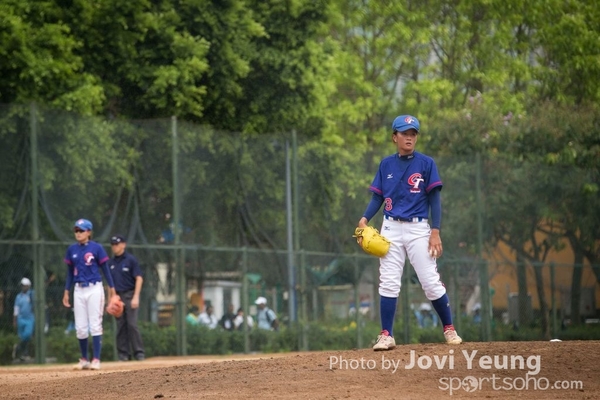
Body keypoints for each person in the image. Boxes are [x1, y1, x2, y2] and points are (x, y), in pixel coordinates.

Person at [356, 115, 462, 351]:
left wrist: (435, 230)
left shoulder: (426, 163)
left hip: (418, 228)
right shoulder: (386, 164)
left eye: (413, 133)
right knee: (389, 282)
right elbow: (377, 197)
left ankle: (449, 328)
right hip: (391, 227)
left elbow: (435, 199)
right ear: (395, 137)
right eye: (404, 133)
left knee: (430, 281)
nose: (409, 137)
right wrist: (364, 219)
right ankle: (386, 335)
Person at [62, 218, 117, 370]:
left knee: (95, 324)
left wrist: (112, 288)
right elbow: (69, 274)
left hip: (94, 288)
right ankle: (84, 359)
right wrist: (67, 291)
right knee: (80, 327)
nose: (78, 233)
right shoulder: (71, 250)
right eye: (76, 231)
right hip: (78, 289)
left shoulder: (96, 248)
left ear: (89, 232)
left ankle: (96, 359)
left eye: (81, 230)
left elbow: (105, 269)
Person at [108, 234, 145, 361]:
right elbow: (110, 283)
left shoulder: (130, 260)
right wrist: (110, 300)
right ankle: (123, 354)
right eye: (113, 244)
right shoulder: (111, 263)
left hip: (129, 294)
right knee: (121, 326)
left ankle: (139, 352)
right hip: (117, 297)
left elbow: (139, 278)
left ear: (123, 244)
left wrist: (136, 297)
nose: (115, 247)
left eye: (117, 244)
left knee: (132, 324)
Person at [13, 277, 35, 362]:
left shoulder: (31, 294)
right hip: (20, 318)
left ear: (29, 286)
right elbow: (16, 308)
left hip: (29, 318)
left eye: (25, 285)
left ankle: (18, 347)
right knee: (22, 337)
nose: (23, 287)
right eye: (22, 286)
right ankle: (24, 354)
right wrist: (15, 319)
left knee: (27, 335)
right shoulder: (19, 297)